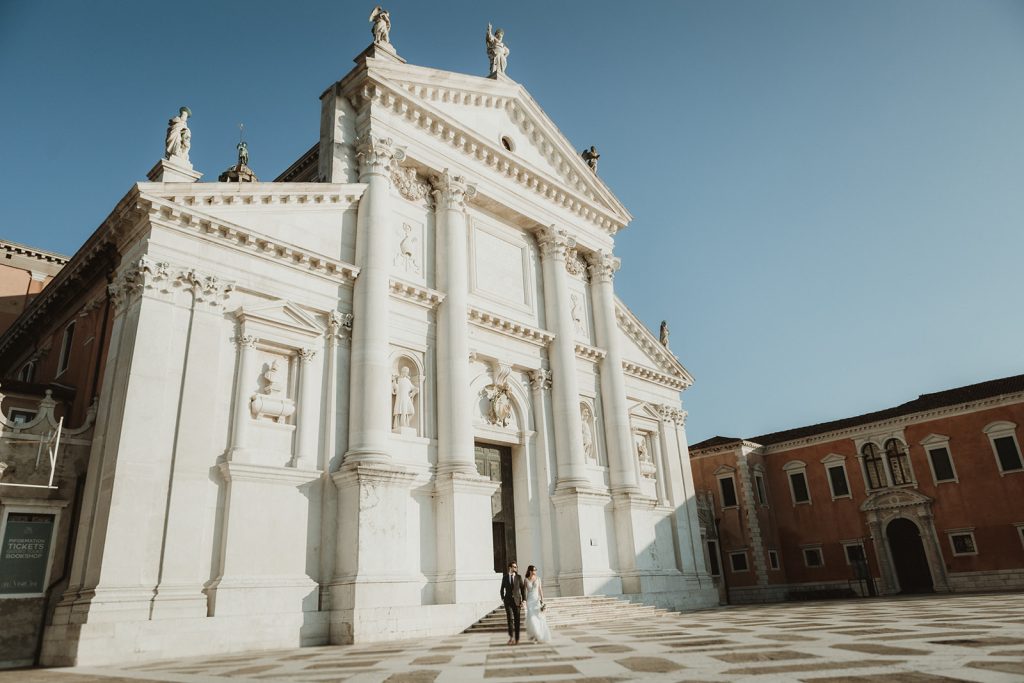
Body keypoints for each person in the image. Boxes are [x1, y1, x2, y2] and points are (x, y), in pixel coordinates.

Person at [500, 560, 526, 645]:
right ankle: (511, 637)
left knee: (517, 620)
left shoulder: (519, 577)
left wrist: (523, 599)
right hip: (508, 602)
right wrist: (503, 598)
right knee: (510, 619)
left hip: (517, 601)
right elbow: (501, 589)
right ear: (510, 567)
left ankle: (517, 638)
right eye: (514, 567)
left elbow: (522, 588)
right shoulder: (505, 577)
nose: (516, 568)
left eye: (516, 567)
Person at [524, 565, 551, 643]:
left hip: (536, 601)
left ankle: (539, 635)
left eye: (535, 570)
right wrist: (524, 601)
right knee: (532, 619)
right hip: (529, 601)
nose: (535, 572)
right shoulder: (526, 580)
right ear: (530, 571)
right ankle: (535, 635)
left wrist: (542, 600)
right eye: (533, 570)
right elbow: (524, 591)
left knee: (538, 618)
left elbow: (540, 590)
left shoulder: (538, 579)